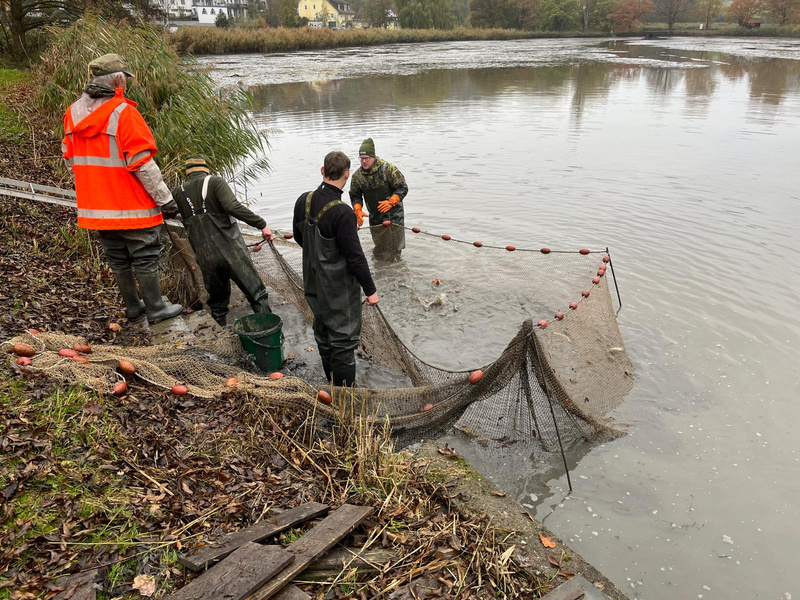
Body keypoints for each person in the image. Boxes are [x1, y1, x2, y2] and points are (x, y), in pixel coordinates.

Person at [61, 53, 182, 323]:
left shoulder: (71, 114)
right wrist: (165, 199)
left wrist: (95, 186)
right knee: (146, 255)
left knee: (117, 258)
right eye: (125, 78)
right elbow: (142, 164)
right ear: (118, 79)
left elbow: (69, 159)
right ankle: (155, 308)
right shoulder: (124, 113)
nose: (126, 83)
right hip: (131, 204)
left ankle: (133, 306)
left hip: (97, 207)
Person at [293, 151, 379, 386]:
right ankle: (345, 396)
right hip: (338, 288)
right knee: (343, 340)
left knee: (322, 331)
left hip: (312, 282)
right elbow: (355, 258)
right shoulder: (343, 213)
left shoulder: (303, 200)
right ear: (347, 175)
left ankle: (330, 383)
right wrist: (370, 291)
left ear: (322, 171)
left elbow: (301, 239)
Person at [167, 155, 274, 326]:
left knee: (217, 303)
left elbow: (167, 212)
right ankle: (268, 335)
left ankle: (221, 338)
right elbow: (232, 207)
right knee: (257, 294)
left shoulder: (177, 191)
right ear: (205, 169)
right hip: (232, 253)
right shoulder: (215, 182)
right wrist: (261, 224)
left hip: (205, 257)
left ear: (187, 172)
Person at [349, 138, 409, 261]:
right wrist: (358, 210)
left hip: (394, 216)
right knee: (380, 250)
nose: (364, 161)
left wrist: (392, 201)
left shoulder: (388, 169)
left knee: (394, 251)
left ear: (373, 157)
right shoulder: (357, 176)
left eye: (367, 158)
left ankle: (395, 275)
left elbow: (402, 188)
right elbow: (355, 195)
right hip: (375, 217)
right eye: (362, 158)